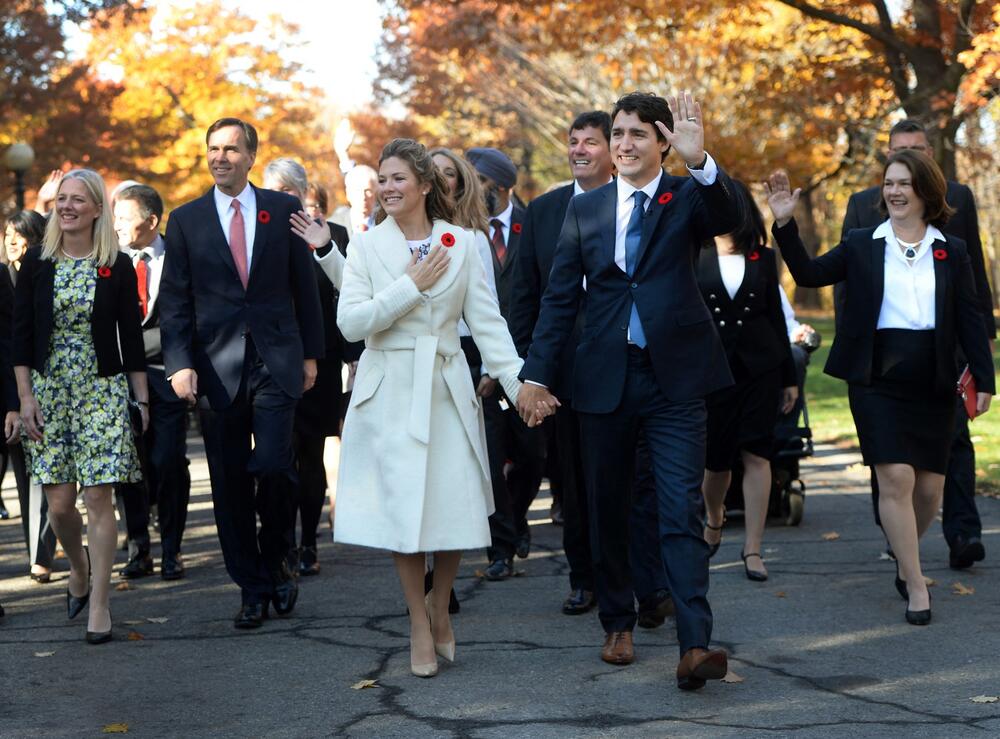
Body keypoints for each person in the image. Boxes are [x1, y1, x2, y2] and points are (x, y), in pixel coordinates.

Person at [518, 91, 739, 690]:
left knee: (679, 507)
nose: (623, 143)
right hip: (604, 378)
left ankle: (696, 643)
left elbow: (731, 219)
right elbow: (560, 298)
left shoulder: (686, 193)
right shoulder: (585, 210)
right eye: (617, 133)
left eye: (638, 133)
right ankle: (617, 623)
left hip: (675, 379)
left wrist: (701, 163)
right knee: (606, 504)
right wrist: (534, 374)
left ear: (662, 142)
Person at [334, 138, 536, 678]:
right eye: (383, 177)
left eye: (400, 178)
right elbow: (351, 324)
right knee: (404, 514)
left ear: (426, 185)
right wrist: (408, 286)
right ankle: (418, 627)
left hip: (447, 387)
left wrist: (521, 390)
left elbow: (491, 329)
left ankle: (439, 604)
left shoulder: (463, 243)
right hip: (388, 390)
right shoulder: (365, 246)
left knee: (452, 509)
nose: (388, 187)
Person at [765, 151, 994, 626]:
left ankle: (903, 547)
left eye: (904, 183)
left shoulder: (951, 249)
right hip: (877, 382)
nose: (892, 191)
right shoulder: (861, 243)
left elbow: (971, 317)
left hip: (934, 383)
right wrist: (785, 225)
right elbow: (808, 274)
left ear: (926, 192)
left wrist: (985, 380)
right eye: (888, 182)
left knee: (930, 488)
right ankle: (914, 583)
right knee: (896, 479)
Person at [159, 118, 324, 630]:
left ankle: (277, 557)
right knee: (229, 482)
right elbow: (174, 301)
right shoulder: (186, 220)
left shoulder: (282, 210)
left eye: (231, 149)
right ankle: (251, 587)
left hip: (277, 358)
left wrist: (312, 354)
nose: (221, 157)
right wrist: (179, 363)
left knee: (275, 465)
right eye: (213, 149)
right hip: (215, 367)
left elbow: (306, 287)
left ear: (252, 156)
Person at [508, 111, 672, 623]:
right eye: (572, 142)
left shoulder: (641, 207)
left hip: (632, 366)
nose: (579, 150)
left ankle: (649, 585)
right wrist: (526, 372)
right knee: (577, 485)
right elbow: (526, 296)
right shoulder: (544, 211)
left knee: (640, 483)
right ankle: (585, 579)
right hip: (564, 375)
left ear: (612, 151)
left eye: (591, 143)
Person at [840, 119, 995, 571]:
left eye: (919, 149)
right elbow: (844, 279)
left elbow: (972, 276)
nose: (910, 156)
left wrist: (983, 345)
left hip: (945, 348)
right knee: (891, 462)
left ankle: (962, 531)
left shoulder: (958, 197)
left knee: (951, 449)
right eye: (900, 150)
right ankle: (899, 538)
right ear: (887, 156)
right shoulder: (863, 204)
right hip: (882, 356)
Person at [13, 168, 148, 644]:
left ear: (96, 209)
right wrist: (24, 397)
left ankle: (100, 604)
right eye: (62, 199)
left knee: (98, 498)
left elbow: (131, 336)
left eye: (77, 200)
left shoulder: (115, 263)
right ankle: (78, 567)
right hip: (49, 391)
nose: (66, 206)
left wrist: (141, 398)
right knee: (60, 505)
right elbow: (21, 336)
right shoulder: (37, 261)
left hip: (102, 390)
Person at [696, 179, 797, 581]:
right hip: (712, 372)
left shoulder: (763, 257)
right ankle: (715, 516)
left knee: (758, 454)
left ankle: (753, 548)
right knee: (716, 462)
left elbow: (775, 319)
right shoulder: (694, 254)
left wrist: (789, 377)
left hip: (761, 370)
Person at [265, 157, 349, 577]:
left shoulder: (334, 235)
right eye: (273, 190)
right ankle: (278, 540)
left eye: (288, 191)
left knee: (312, 453)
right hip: (271, 361)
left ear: (301, 195)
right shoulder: (257, 235)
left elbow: (348, 289)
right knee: (276, 456)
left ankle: (309, 542)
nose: (281, 199)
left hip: (322, 358)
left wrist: (320, 247)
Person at [466, 146, 547, 575]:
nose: (471, 190)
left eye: (478, 182)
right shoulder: (459, 230)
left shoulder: (533, 221)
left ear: (499, 186)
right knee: (490, 455)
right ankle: (499, 549)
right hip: (476, 363)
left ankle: (515, 518)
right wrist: (484, 365)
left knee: (533, 456)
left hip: (527, 362)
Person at [112, 184, 192, 581]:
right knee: (129, 467)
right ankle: (138, 547)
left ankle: (173, 550)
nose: (117, 224)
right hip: (121, 378)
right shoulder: (108, 262)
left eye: (124, 217)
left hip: (168, 376)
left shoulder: (179, 257)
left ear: (151, 220)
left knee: (168, 461)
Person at [1, 211, 57, 582]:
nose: (10, 240)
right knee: (23, 474)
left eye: (18, 234)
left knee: (41, 477)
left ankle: (41, 554)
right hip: (8, 389)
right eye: (6, 233)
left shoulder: (46, 274)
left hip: (45, 387)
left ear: (35, 238)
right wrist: (11, 401)